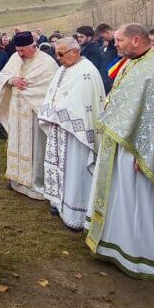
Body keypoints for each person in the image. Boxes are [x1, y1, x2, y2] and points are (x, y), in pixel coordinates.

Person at [86, 24, 154, 278]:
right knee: (117, 200)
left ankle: (137, 255)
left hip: (138, 153)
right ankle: (111, 244)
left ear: (135, 40)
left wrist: (148, 154)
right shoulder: (134, 63)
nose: (116, 45)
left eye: (120, 41)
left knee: (135, 203)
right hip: (118, 146)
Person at [38, 38, 105, 230]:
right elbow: (52, 94)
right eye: (56, 54)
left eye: (60, 54)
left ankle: (76, 211)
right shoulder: (63, 69)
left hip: (76, 134)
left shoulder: (87, 72)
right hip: (58, 129)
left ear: (74, 52)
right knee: (59, 166)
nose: (57, 58)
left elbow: (81, 106)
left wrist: (57, 114)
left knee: (74, 169)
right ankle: (58, 202)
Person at [0, 32, 57, 198]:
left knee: (35, 147)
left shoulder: (47, 62)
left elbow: (50, 88)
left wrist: (28, 89)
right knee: (16, 143)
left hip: (34, 113)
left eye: (23, 50)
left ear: (33, 46)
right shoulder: (16, 57)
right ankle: (17, 179)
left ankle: (34, 181)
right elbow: (4, 75)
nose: (20, 54)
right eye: (18, 50)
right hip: (16, 112)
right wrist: (11, 80)